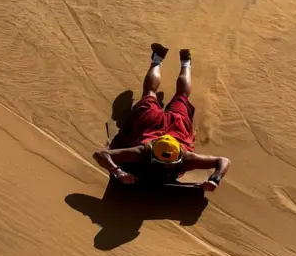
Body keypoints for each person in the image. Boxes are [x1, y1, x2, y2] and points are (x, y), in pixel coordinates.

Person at [93, 43, 230, 192]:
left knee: (156, 94)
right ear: (151, 154)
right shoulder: (142, 152)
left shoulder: (186, 158)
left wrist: (215, 179)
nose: (167, 166)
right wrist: (117, 171)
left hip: (166, 124)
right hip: (160, 124)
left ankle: (176, 60)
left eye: (169, 164)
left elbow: (224, 161)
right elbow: (101, 154)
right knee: (172, 95)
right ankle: (174, 60)